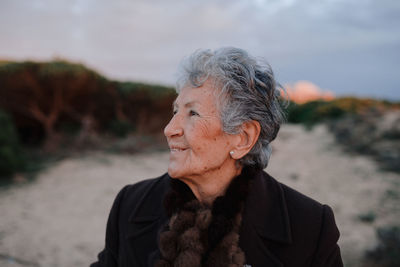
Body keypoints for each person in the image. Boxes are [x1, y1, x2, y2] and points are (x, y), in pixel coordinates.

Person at [91, 47, 343, 267]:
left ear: (243, 138)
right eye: (176, 110)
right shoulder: (131, 204)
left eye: (193, 114)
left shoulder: (309, 226)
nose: (169, 129)